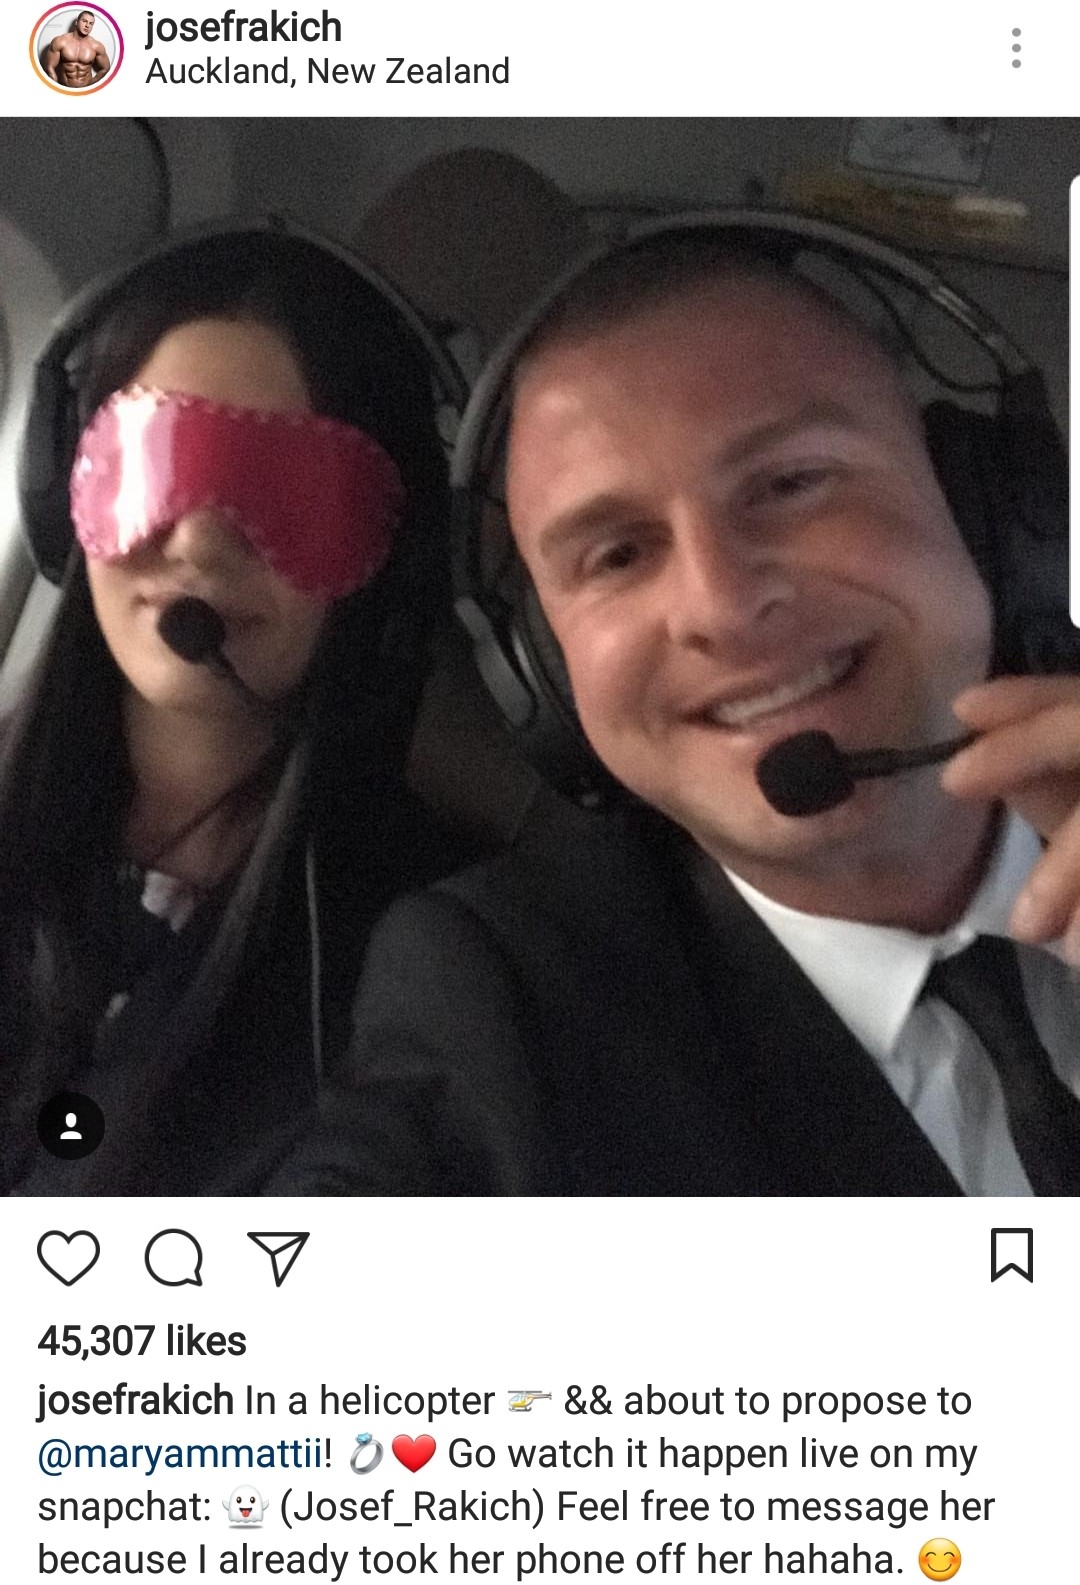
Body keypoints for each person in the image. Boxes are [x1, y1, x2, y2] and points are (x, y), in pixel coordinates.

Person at [274, 218, 1080, 1197]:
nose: (721, 606)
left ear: (989, 511)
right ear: (541, 670)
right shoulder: (498, 1003)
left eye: (790, 484)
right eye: (617, 554)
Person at [0, 223, 459, 1194]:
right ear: (61, 484)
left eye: (288, 495)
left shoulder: (432, 954)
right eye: (156, 463)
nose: (201, 545)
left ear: (390, 558)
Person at [43, 11, 111, 86]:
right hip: (65, 88)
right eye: (84, 21)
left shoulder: (97, 46)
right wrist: (55, 85)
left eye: (91, 23)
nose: (87, 25)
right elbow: (49, 67)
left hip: (86, 89)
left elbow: (106, 68)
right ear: (76, 22)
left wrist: (91, 83)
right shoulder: (60, 41)